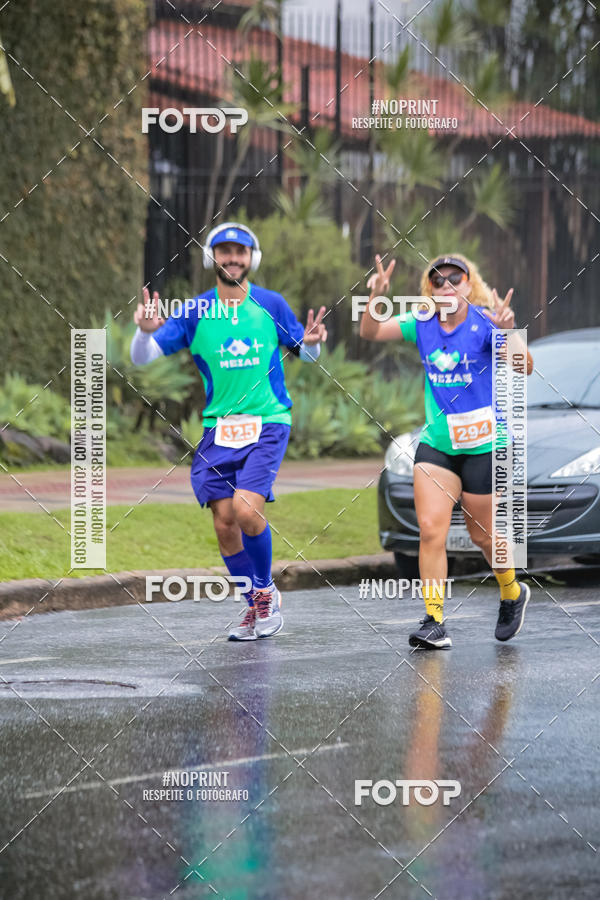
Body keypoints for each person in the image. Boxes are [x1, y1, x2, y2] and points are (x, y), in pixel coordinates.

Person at [130, 222, 327, 641]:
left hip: (268, 421)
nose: (233, 258)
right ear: (212, 258)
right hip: (218, 430)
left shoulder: (270, 303)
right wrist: (143, 332)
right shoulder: (196, 312)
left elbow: (306, 353)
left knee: (245, 509)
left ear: (251, 258)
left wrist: (312, 343)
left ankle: (266, 593)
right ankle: (255, 606)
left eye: (240, 251)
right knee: (223, 522)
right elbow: (143, 357)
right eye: (224, 251)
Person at [360, 252, 533, 649]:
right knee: (431, 529)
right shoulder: (421, 324)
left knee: (483, 536)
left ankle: (511, 591)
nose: (448, 285)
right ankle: (434, 620)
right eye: (439, 281)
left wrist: (509, 332)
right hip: (439, 443)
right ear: (430, 290)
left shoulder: (487, 322)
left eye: (457, 278)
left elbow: (525, 367)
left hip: (486, 446)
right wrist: (376, 296)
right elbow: (370, 332)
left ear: (470, 285)